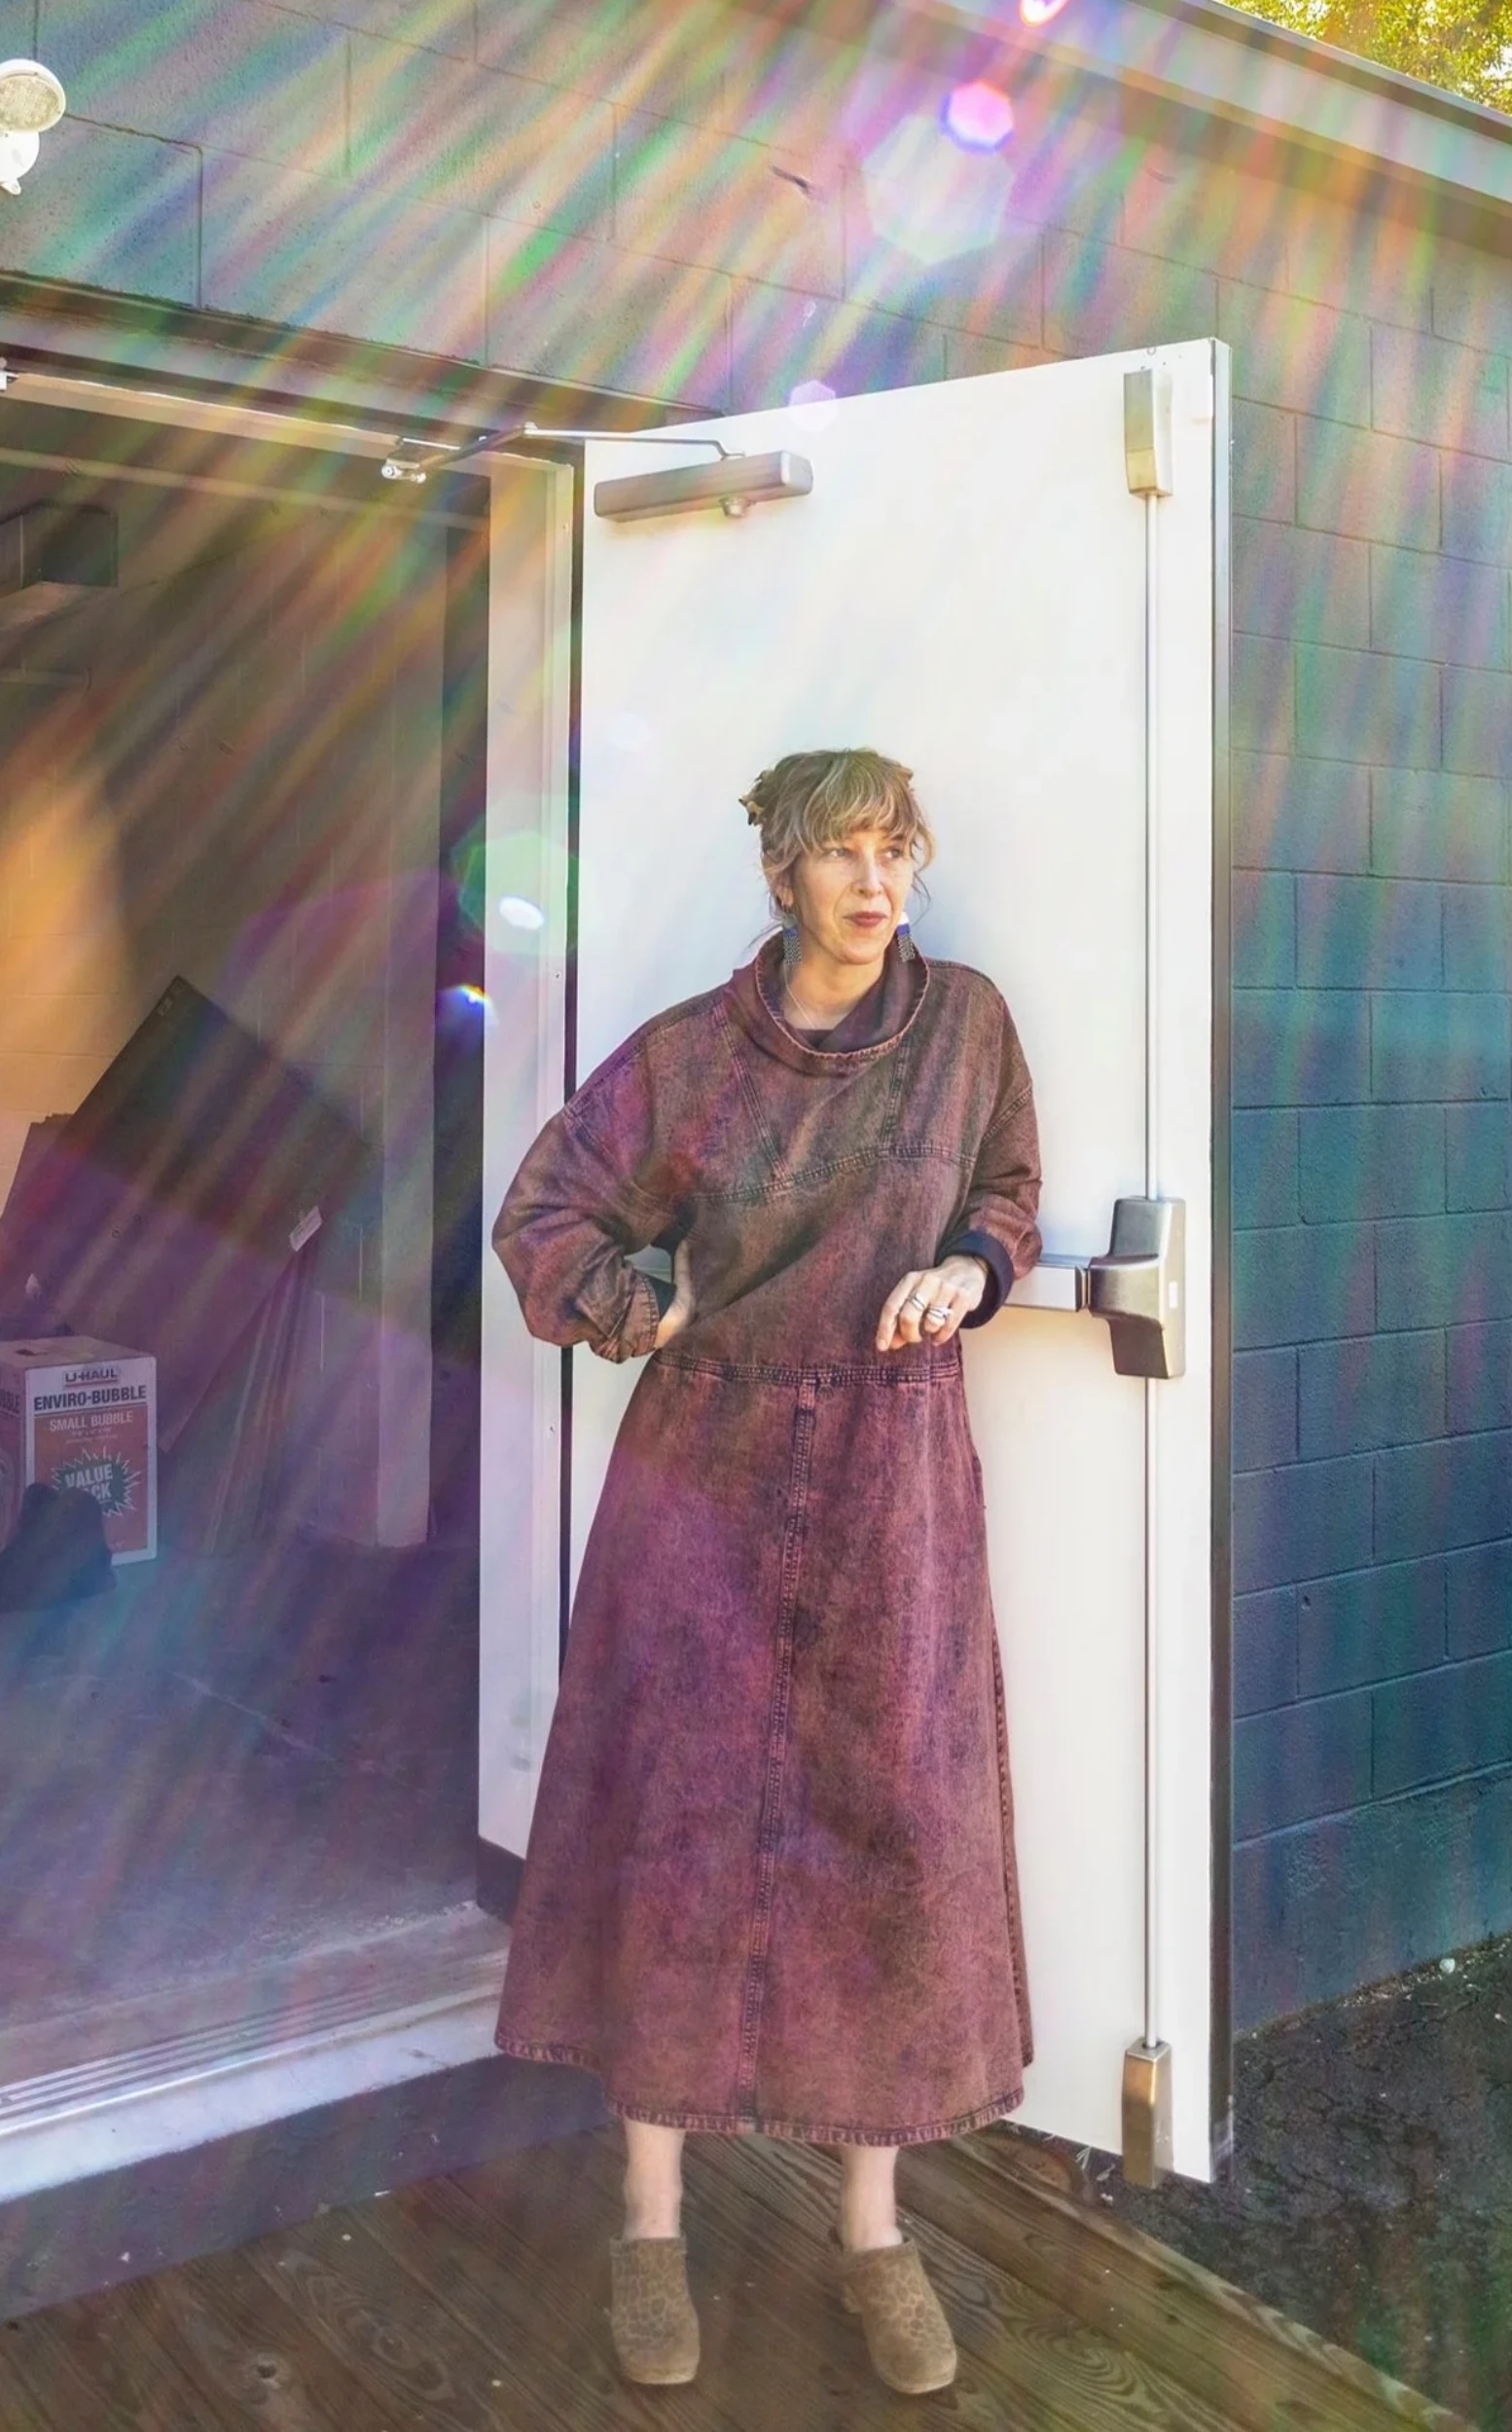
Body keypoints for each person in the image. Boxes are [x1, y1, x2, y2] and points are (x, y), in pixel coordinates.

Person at [490, 746, 1043, 2395]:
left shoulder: (967, 1031)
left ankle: (872, 2228)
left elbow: (1007, 1190)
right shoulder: (684, 1060)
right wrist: (629, 1299)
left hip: (893, 1481)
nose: (878, 883)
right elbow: (547, 1213)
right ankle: (648, 2217)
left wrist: (968, 1270)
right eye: (844, 854)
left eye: (898, 850)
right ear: (783, 877)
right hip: (707, 1474)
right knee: (680, 1818)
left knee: (893, 1825)